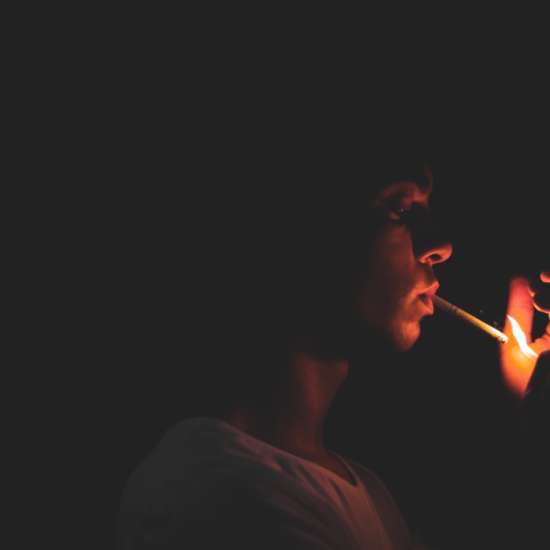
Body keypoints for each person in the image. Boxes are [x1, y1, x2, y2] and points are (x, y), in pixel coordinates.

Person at [116, 149, 549, 549]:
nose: (441, 246)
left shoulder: (360, 487)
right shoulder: (214, 495)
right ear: (303, 224)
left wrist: (521, 419)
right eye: (400, 208)